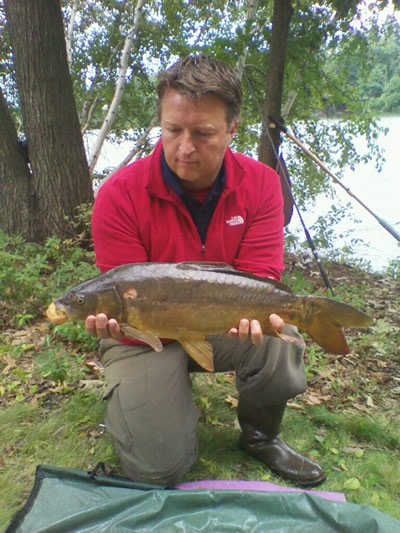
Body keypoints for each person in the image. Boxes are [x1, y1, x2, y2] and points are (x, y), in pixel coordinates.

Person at [85, 54, 326, 488]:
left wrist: (265, 318)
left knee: (282, 340)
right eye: (173, 130)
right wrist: (113, 324)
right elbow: (121, 294)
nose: (184, 147)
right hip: (146, 335)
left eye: (203, 133)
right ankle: (164, 402)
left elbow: (259, 280)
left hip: (222, 321)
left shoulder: (262, 185)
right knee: (158, 470)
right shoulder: (119, 195)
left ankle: (260, 435)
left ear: (232, 130)